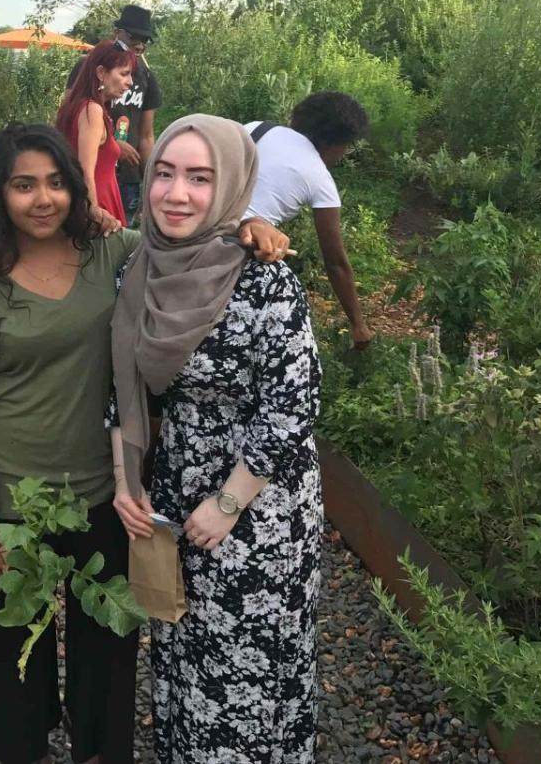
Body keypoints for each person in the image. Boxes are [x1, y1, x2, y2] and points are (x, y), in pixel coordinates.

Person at [110, 114, 323, 763]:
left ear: (230, 184)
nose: (177, 193)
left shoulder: (264, 279)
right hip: (176, 481)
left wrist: (229, 502)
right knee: (183, 645)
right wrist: (126, 484)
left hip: (259, 504)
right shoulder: (138, 272)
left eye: (200, 178)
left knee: (246, 661)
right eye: (166, 174)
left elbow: (295, 402)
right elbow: (120, 388)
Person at [0, 123, 142, 764]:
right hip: (14, 499)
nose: (42, 199)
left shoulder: (109, 255)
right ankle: (21, 747)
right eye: (24, 185)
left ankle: (97, 747)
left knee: (108, 644)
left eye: (57, 183)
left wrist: (249, 228)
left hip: (99, 491)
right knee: (12, 654)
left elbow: (186, 248)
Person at [246, 90, 374, 347]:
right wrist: (358, 325)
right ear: (334, 143)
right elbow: (336, 262)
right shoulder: (320, 178)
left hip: (195, 233)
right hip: (240, 255)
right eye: (346, 147)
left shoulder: (257, 128)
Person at [67, 4, 162, 224]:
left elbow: (147, 136)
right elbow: (70, 120)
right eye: (135, 37)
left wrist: (151, 183)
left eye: (145, 40)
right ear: (117, 34)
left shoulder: (147, 77)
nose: (139, 44)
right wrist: (114, 144)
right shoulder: (87, 69)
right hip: (93, 177)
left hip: (127, 176)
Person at [55, 39, 137, 232]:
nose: (130, 82)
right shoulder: (92, 110)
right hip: (99, 206)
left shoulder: (81, 107)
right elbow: (85, 170)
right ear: (101, 73)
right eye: (124, 73)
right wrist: (94, 211)